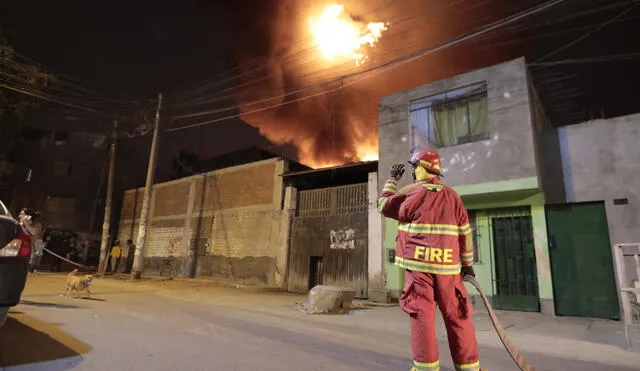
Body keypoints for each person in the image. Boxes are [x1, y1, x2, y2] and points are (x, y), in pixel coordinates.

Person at [377, 149, 481, 371]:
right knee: (458, 317)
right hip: (449, 271)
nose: (414, 173)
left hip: (419, 270)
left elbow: (383, 205)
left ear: (422, 169)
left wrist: (392, 180)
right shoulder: (454, 196)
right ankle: (469, 368)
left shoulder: (412, 194)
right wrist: (468, 264)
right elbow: (465, 232)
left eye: (415, 168)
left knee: (422, 317)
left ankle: (426, 368)